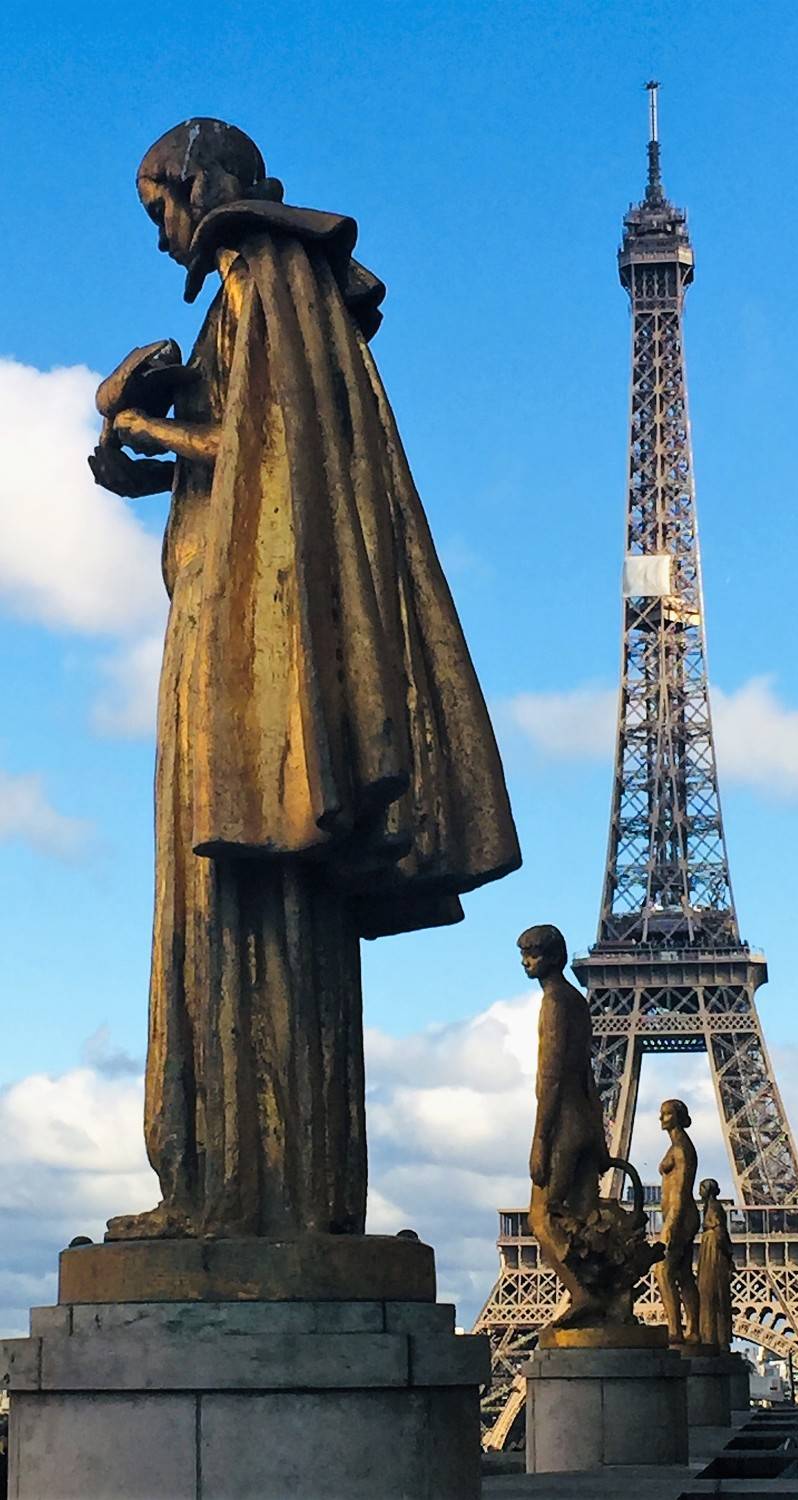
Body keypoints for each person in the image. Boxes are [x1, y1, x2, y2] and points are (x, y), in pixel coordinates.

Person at [90, 118, 520, 1242]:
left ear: (199, 185)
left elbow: (264, 447)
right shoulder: (268, 288)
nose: (160, 237)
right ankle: (259, 1188)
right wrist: (138, 452)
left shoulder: (266, 271)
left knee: (238, 901)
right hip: (240, 628)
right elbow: (254, 460)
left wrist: (134, 419)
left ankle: (237, 1192)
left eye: (158, 209)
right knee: (254, 903)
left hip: (247, 649)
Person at [520, 924, 612, 1325]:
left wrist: (540, 1139)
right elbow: (588, 1073)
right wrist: (599, 1133)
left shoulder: (555, 1002)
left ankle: (582, 1294)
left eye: (533, 954)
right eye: (523, 954)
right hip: (585, 1120)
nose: (526, 962)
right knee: (585, 1222)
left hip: (563, 1124)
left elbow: (551, 1075)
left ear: (555, 957)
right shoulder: (577, 1000)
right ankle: (608, 1306)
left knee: (543, 1219)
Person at [655, 1098, 701, 1344]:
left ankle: (675, 1330)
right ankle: (692, 1330)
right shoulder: (678, 1145)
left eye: (666, 1113)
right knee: (683, 1275)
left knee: (662, 1271)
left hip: (679, 1215)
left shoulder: (681, 1148)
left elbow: (681, 1190)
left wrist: (671, 1225)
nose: (661, 1118)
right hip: (681, 1215)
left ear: (678, 1117)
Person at [697, 1177, 735, 1352]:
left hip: (712, 1251)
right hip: (711, 1249)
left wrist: (727, 1253)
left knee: (711, 1293)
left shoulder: (713, 1208)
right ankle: (712, 1336)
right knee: (712, 1295)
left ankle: (711, 1336)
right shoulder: (711, 1207)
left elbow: (720, 1232)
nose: (699, 1192)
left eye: (701, 1189)